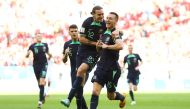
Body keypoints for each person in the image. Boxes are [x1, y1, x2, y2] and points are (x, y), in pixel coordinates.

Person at [60, 5, 106, 109]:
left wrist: (118, 34)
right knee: (79, 91)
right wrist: (95, 43)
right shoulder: (87, 22)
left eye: (103, 14)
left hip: (94, 54)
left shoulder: (104, 24)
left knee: (81, 70)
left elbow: (111, 32)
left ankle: (68, 99)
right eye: (99, 14)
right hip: (82, 52)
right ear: (93, 14)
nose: (102, 16)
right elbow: (82, 39)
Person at [90, 12, 126, 109]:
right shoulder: (104, 33)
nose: (108, 20)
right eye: (107, 18)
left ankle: (122, 97)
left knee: (110, 96)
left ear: (116, 21)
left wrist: (107, 46)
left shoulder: (116, 33)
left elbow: (120, 46)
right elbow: (101, 50)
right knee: (95, 92)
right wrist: (98, 47)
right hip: (101, 66)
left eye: (111, 18)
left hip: (112, 69)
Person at [62, 24, 88, 109]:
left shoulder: (83, 42)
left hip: (83, 71)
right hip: (73, 71)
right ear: (69, 32)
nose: (74, 33)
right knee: (77, 93)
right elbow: (64, 60)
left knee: (78, 92)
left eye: (75, 31)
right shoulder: (67, 44)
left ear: (78, 32)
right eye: (72, 31)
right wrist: (66, 54)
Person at [26, 33, 52, 109]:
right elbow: (27, 55)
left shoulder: (45, 45)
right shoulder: (32, 46)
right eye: (38, 36)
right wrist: (28, 54)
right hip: (36, 65)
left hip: (44, 64)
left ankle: (40, 101)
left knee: (41, 82)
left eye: (40, 36)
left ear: (42, 37)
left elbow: (48, 53)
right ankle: (43, 95)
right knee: (39, 83)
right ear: (35, 37)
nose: (39, 37)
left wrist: (50, 55)